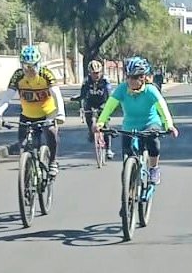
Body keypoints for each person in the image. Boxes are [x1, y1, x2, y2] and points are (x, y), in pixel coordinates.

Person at [95, 56, 178, 185]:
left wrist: (169, 125)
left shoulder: (151, 90)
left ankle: (153, 169)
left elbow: (163, 108)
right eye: (128, 77)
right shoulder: (122, 89)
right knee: (127, 159)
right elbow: (109, 106)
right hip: (129, 126)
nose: (130, 81)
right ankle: (128, 194)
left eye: (134, 77)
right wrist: (100, 123)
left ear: (142, 77)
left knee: (153, 143)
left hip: (150, 123)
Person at [0, 45, 66, 176]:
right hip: (27, 115)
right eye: (26, 66)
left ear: (39, 64)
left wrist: (60, 114)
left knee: (51, 133)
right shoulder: (18, 76)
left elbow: (57, 95)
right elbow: (7, 97)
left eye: (33, 66)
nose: (29, 70)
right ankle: (27, 174)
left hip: (47, 113)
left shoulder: (46, 74)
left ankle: (53, 161)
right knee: (24, 145)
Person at [75, 59, 114, 158]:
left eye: (97, 73)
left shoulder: (105, 80)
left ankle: (109, 149)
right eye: (93, 73)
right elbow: (83, 94)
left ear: (101, 72)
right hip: (91, 103)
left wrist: (109, 106)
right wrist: (78, 99)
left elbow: (110, 94)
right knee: (88, 116)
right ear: (90, 73)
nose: (96, 75)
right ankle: (91, 131)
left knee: (105, 126)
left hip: (103, 103)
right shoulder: (86, 81)